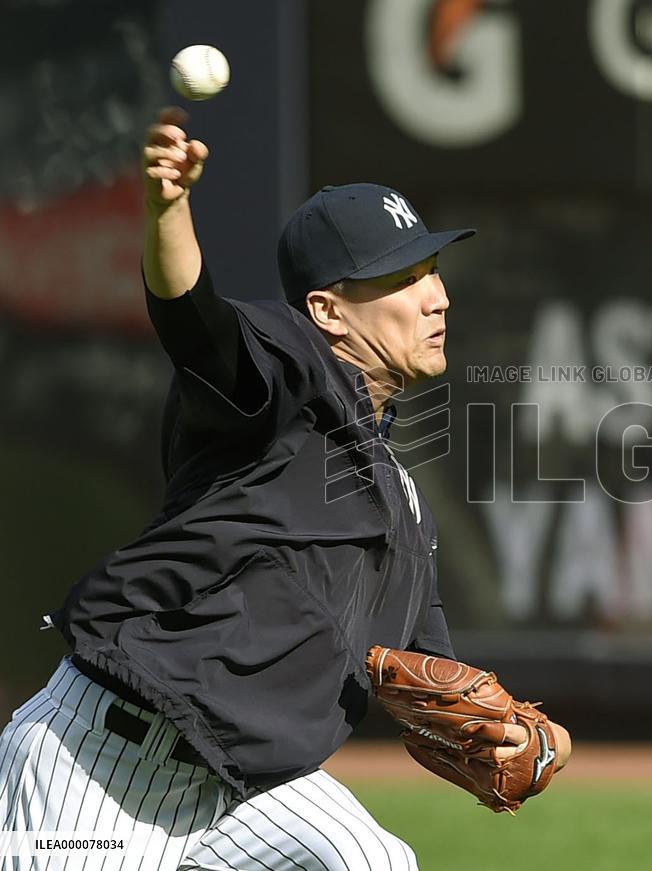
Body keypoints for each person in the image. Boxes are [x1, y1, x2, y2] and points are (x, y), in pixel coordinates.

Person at [0, 107, 570, 870]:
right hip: (99, 765)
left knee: (376, 861)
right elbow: (194, 321)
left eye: (432, 270)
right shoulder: (284, 380)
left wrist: (540, 739)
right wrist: (168, 210)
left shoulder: (403, 507)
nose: (436, 296)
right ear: (328, 311)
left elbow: (438, 680)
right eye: (403, 278)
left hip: (248, 780)